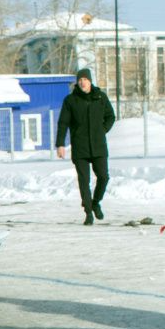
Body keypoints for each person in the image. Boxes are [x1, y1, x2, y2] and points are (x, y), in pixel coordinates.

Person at [57, 68, 116, 226]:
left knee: (103, 177)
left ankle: (95, 202)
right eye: (80, 79)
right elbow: (63, 123)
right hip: (80, 146)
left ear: (90, 81)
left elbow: (111, 116)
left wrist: (102, 130)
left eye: (85, 79)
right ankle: (88, 213)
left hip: (98, 146)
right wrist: (60, 144)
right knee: (84, 181)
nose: (82, 82)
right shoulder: (70, 100)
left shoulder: (100, 97)